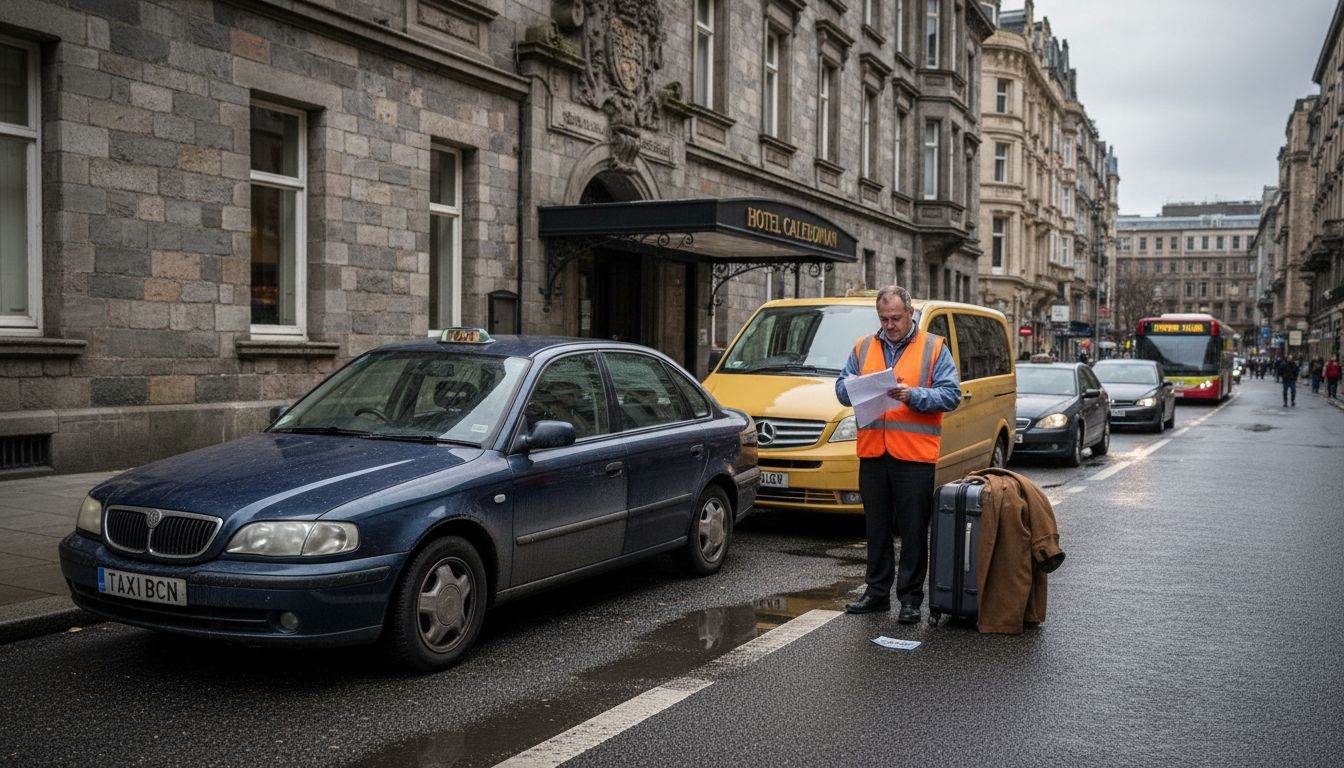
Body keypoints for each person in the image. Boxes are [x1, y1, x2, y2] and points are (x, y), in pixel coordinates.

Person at [835, 285, 962, 624]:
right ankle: (876, 594)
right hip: (874, 453)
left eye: (895, 318)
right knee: (876, 528)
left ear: (910, 315)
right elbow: (840, 388)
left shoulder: (934, 348)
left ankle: (910, 599)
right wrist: (851, 389)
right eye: (883, 319)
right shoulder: (863, 346)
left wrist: (913, 395)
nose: (889, 325)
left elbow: (951, 395)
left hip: (914, 456)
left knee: (912, 530)